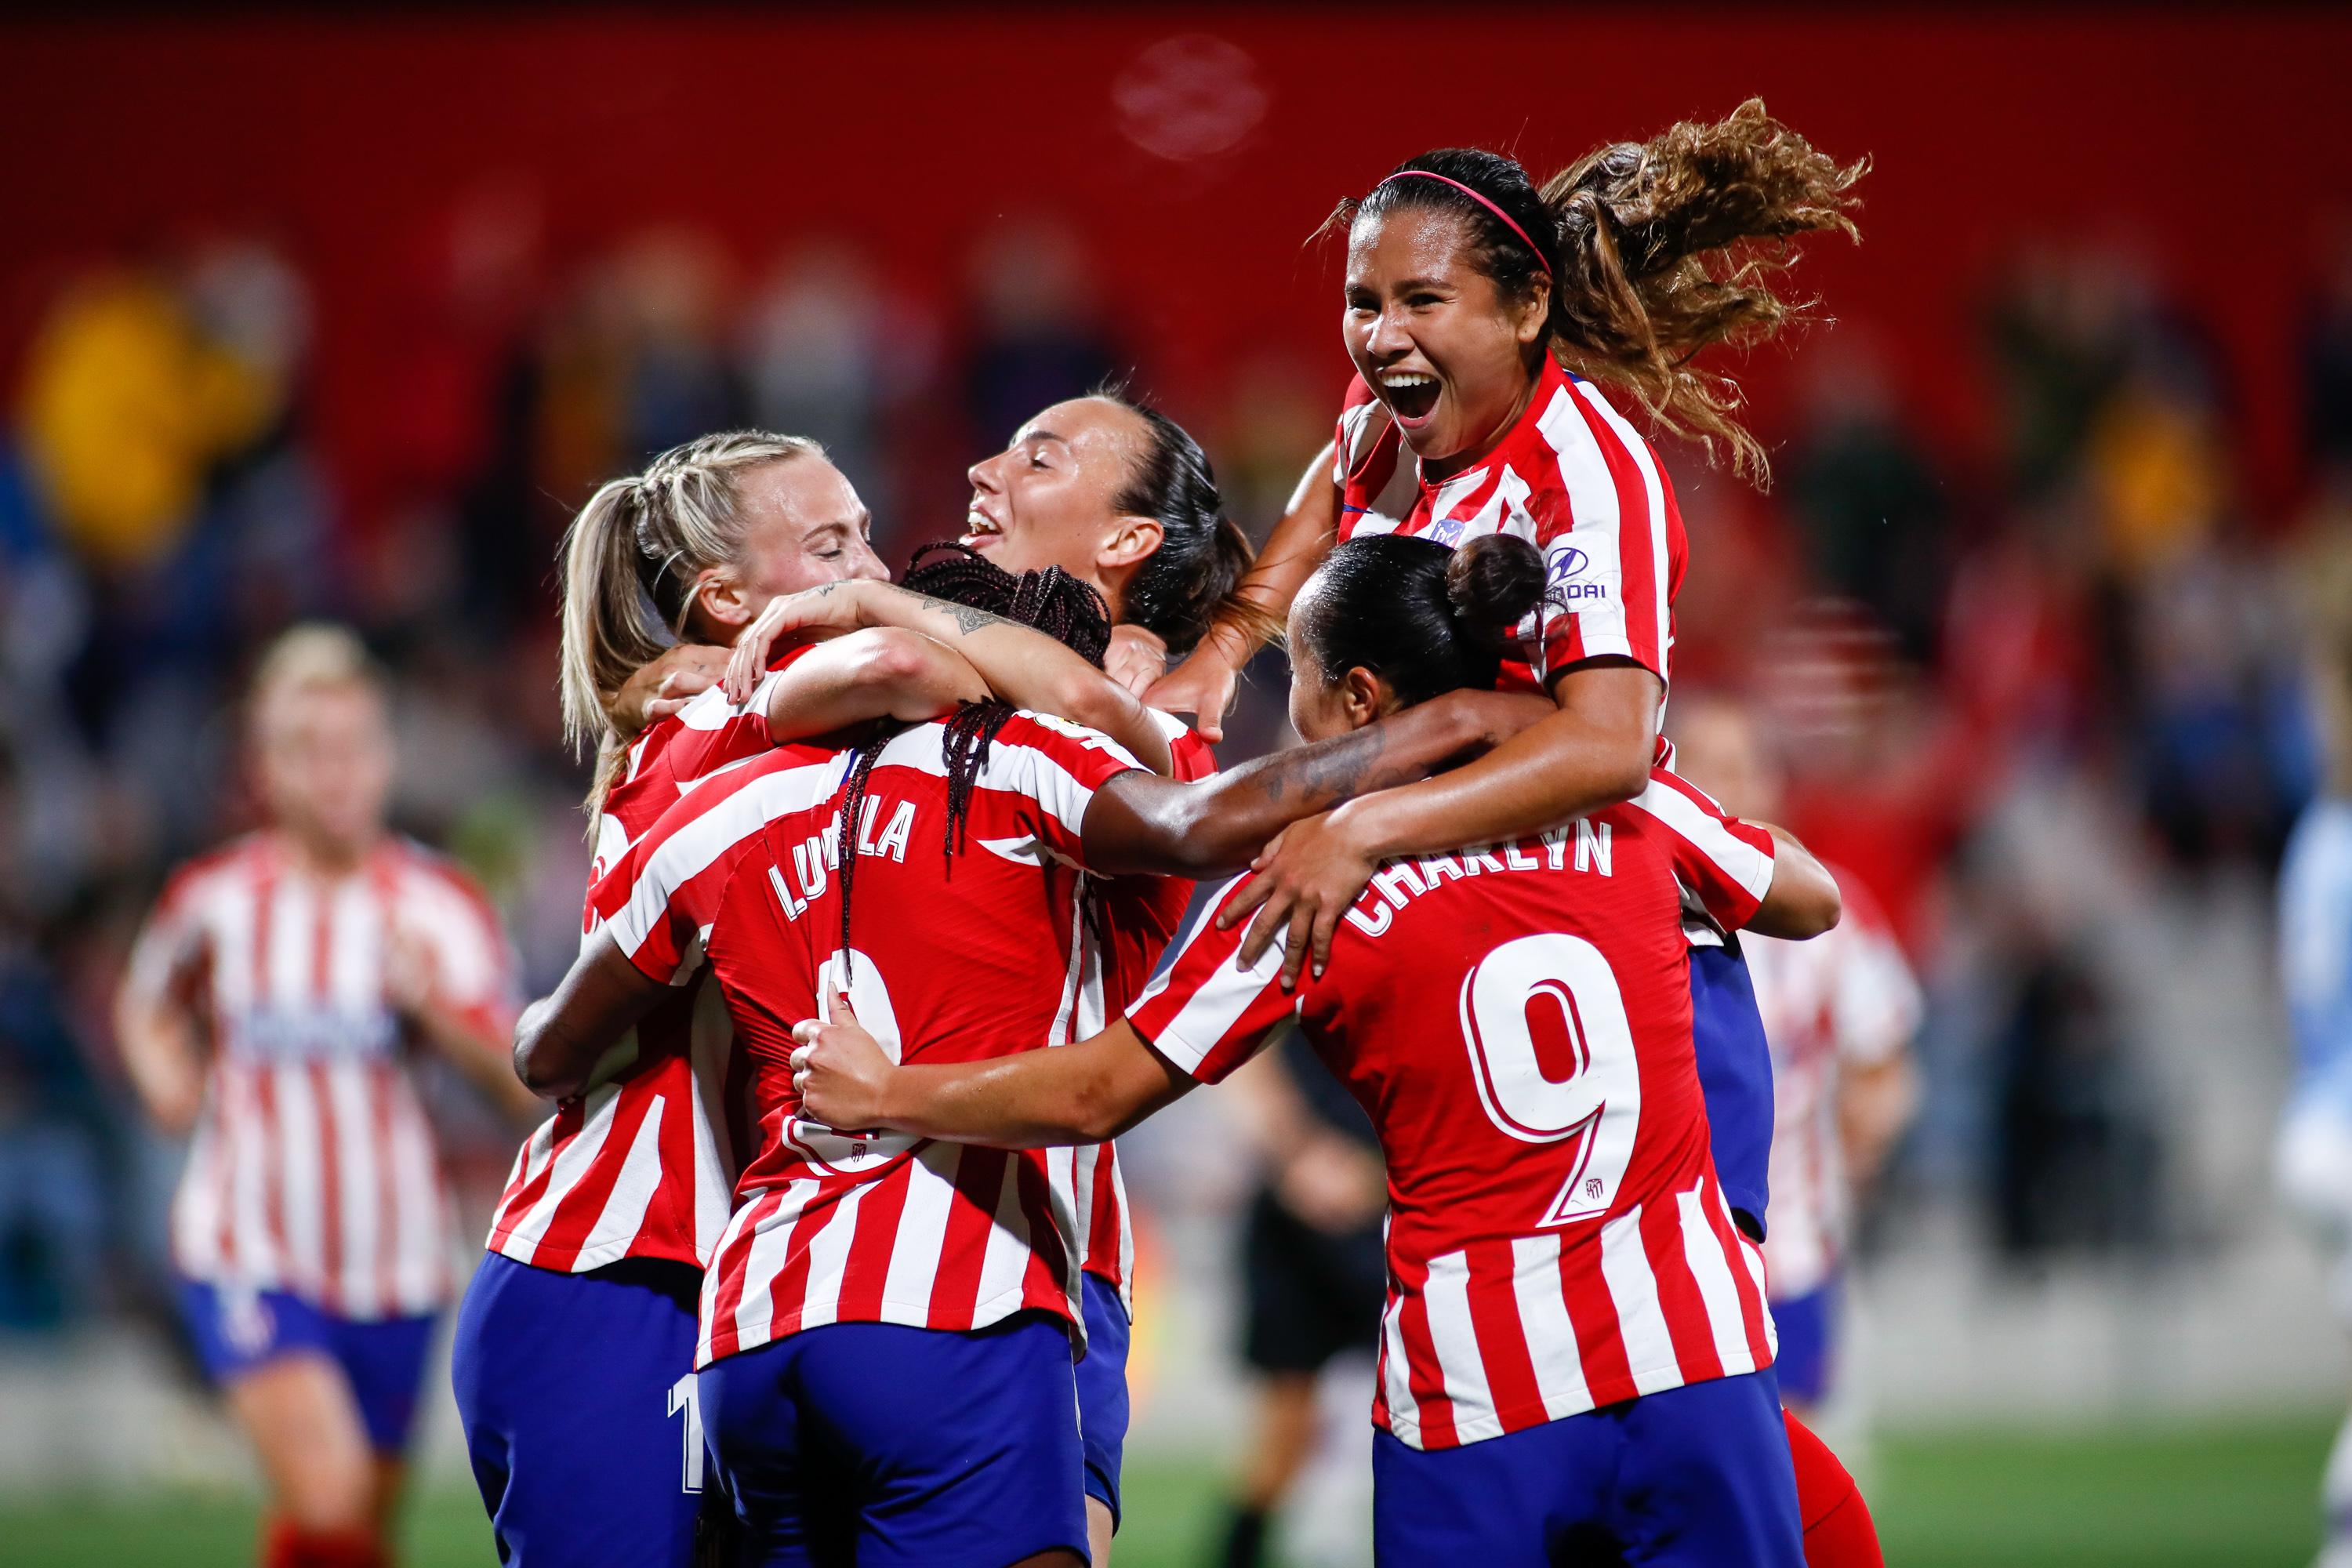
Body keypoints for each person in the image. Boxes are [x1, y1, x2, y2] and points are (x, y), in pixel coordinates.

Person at [790, 533, 1846, 1563]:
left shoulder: (1311, 883)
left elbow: (1097, 1092)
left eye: (1293, 677)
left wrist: (888, 1090)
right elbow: (1808, 894)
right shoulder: (1621, 803)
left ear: (1357, 702)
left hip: (1478, 1390)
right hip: (1691, 1348)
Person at [510, 547, 1548, 1566]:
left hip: (752, 1327)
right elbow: (1193, 830)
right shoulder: (1012, 759)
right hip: (952, 1305)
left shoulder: (717, 812)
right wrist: (1450, 723)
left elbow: (548, 1051)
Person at [456, 431, 1179, 1566]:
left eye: (867, 538)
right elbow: (917, 667)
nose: (871, 570)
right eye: (831, 548)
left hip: (784, 1268)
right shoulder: (717, 722)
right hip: (620, 1263)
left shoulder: (809, 737)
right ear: (726, 599)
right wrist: (883, 616)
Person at [717, 388, 1269, 1563]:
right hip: (811, 1271)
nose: (981, 471)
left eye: (1040, 458)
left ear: (1128, 542)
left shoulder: (1135, 726)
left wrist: (864, 594)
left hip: (1024, 1269)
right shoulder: (885, 698)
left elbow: (1088, 704)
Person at [1141, 102, 1864, 983]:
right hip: (1455, 894)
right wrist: (1222, 649)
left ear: (1527, 307)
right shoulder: (1390, 416)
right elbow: (1331, 485)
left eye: (1423, 301)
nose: (1381, 336)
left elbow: (1607, 748)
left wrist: (1365, 823)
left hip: (1609, 953)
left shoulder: (1584, 479)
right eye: (1362, 302)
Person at [117, 625, 532, 1568]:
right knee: (332, 1489)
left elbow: (517, 1081)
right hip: (249, 1246)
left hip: (395, 1262)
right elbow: (146, 1004)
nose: (335, 774)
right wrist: (165, 1075)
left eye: (353, 748)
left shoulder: (438, 905)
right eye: (308, 751)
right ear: (265, 765)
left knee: (351, 1531)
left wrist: (433, 1003)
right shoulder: (216, 900)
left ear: (385, 755)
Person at [1675, 697, 1922, 1422]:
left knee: (1797, 1477)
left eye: (1744, 767)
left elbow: (1887, 1065)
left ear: (1773, 782)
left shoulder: (1825, 911)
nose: (1728, 787)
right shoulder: (1631, 909)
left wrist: (1864, 1133)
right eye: (1709, 768)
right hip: (1669, 1258)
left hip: (1795, 1247)